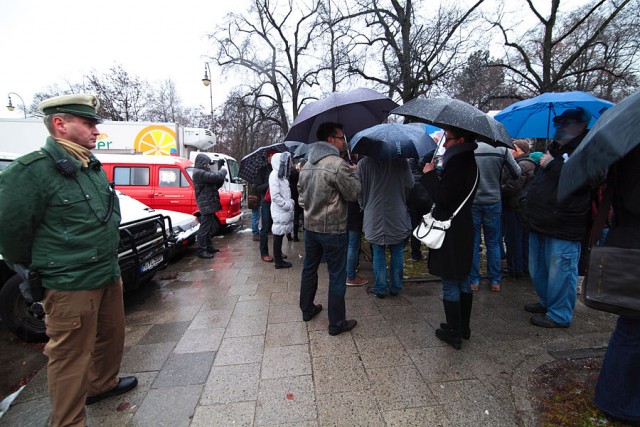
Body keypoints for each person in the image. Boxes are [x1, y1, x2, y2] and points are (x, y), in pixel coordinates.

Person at [0, 94, 137, 426]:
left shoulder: (89, 166)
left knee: (111, 335)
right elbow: (9, 229)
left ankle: (101, 384)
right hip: (69, 282)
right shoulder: (33, 170)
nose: (96, 131)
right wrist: (34, 267)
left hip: (106, 272)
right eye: (88, 123)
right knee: (69, 356)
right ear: (60, 124)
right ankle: (68, 421)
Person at [523, 108, 592, 328]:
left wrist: (551, 164)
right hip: (541, 220)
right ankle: (547, 302)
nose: (559, 128)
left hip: (564, 223)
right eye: (558, 123)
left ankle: (560, 313)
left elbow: (585, 180)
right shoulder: (554, 148)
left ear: (580, 125)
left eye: (565, 123)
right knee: (539, 269)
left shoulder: (587, 148)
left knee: (561, 271)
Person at [592, 144, 640, 425]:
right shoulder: (633, 155)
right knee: (632, 329)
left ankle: (618, 397)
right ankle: (617, 401)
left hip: (630, 243)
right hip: (633, 247)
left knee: (632, 328)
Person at [298, 122, 361, 336]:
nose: (344, 142)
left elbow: (301, 197)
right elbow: (353, 194)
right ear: (331, 140)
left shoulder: (306, 165)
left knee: (309, 268)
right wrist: (353, 173)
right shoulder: (338, 164)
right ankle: (336, 323)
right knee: (336, 275)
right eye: (341, 138)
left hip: (310, 227)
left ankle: (307, 309)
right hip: (333, 229)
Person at [419, 126, 478, 350]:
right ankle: (463, 327)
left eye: (448, 139)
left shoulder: (458, 164)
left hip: (450, 231)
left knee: (451, 281)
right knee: (463, 278)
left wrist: (429, 175)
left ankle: (454, 332)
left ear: (460, 140)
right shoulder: (470, 162)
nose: (444, 144)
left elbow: (442, 198)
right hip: (463, 228)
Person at [358, 156, 414, 297]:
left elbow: (357, 189)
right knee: (397, 250)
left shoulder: (363, 163)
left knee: (378, 252)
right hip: (397, 212)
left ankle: (380, 289)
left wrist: (363, 205)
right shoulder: (400, 161)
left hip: (373, 214)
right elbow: (410, 183)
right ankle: (395, 287)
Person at [468, 142, 520, 291]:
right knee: (493, 242)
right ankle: (495, 280)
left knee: (473, 242)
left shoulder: (471, 148)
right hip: (494, 200)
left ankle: (474, 281)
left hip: (474, 200)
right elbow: (516, 172)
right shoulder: (501, 149)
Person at [501, 139, 536, 278]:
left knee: (514, 238)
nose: (509, 151)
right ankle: (524, 266)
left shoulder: (522, 165)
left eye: (512, 148)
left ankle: (516, 268)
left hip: (516, 206)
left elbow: (513, 187)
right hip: (522, 206)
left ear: (520, 150)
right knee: (522, 239)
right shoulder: (528, 163)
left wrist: (499, 190)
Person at [192, 154, 227, 259]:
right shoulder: (198, 173)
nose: (208, 165)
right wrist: (223, 171)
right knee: (204, 229)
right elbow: (216, 177)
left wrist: (220, 172)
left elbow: (216, 183)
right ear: (201, 163)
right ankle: (201, 250)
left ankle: (208, 246)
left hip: (209, 203)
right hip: (205, 204)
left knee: (208, 227)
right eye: (206, 163)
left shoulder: (202, 172)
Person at [269, 152, 294, 269]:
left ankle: (278, 258)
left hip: (283, 210)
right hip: (280, 210)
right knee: (278, 234)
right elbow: (275, 196)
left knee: (280, 234)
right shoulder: (274, 175)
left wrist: (289, 203)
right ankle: (278, 262)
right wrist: (287, 205)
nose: (289, 164)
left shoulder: (281, 176)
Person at [407, 157, 433, 261]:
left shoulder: (412, 159)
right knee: (430, 225)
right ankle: (431, 253)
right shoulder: (428, 154)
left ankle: (415, 253)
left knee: (415, 225)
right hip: (426, 193)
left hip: (414, 194)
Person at [257, 149, 278, 262]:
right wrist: (270, 182)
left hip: (277, 202)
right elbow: (258, 188)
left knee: (277, 228)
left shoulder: (279, 170)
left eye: (273, 155)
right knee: (265, 228)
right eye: (269, 156)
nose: (271, 158)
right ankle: (264, 252)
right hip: (266, 203)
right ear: (267, 158)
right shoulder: (262, 170)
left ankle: (277, 251)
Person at [287, 159, 302, 242]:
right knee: (295, 216)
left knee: (289, 217)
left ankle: (288, 235)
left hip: (288, 196)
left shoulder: (285, 173)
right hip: (295, 196)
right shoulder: (296, 172)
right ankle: (295, 236)